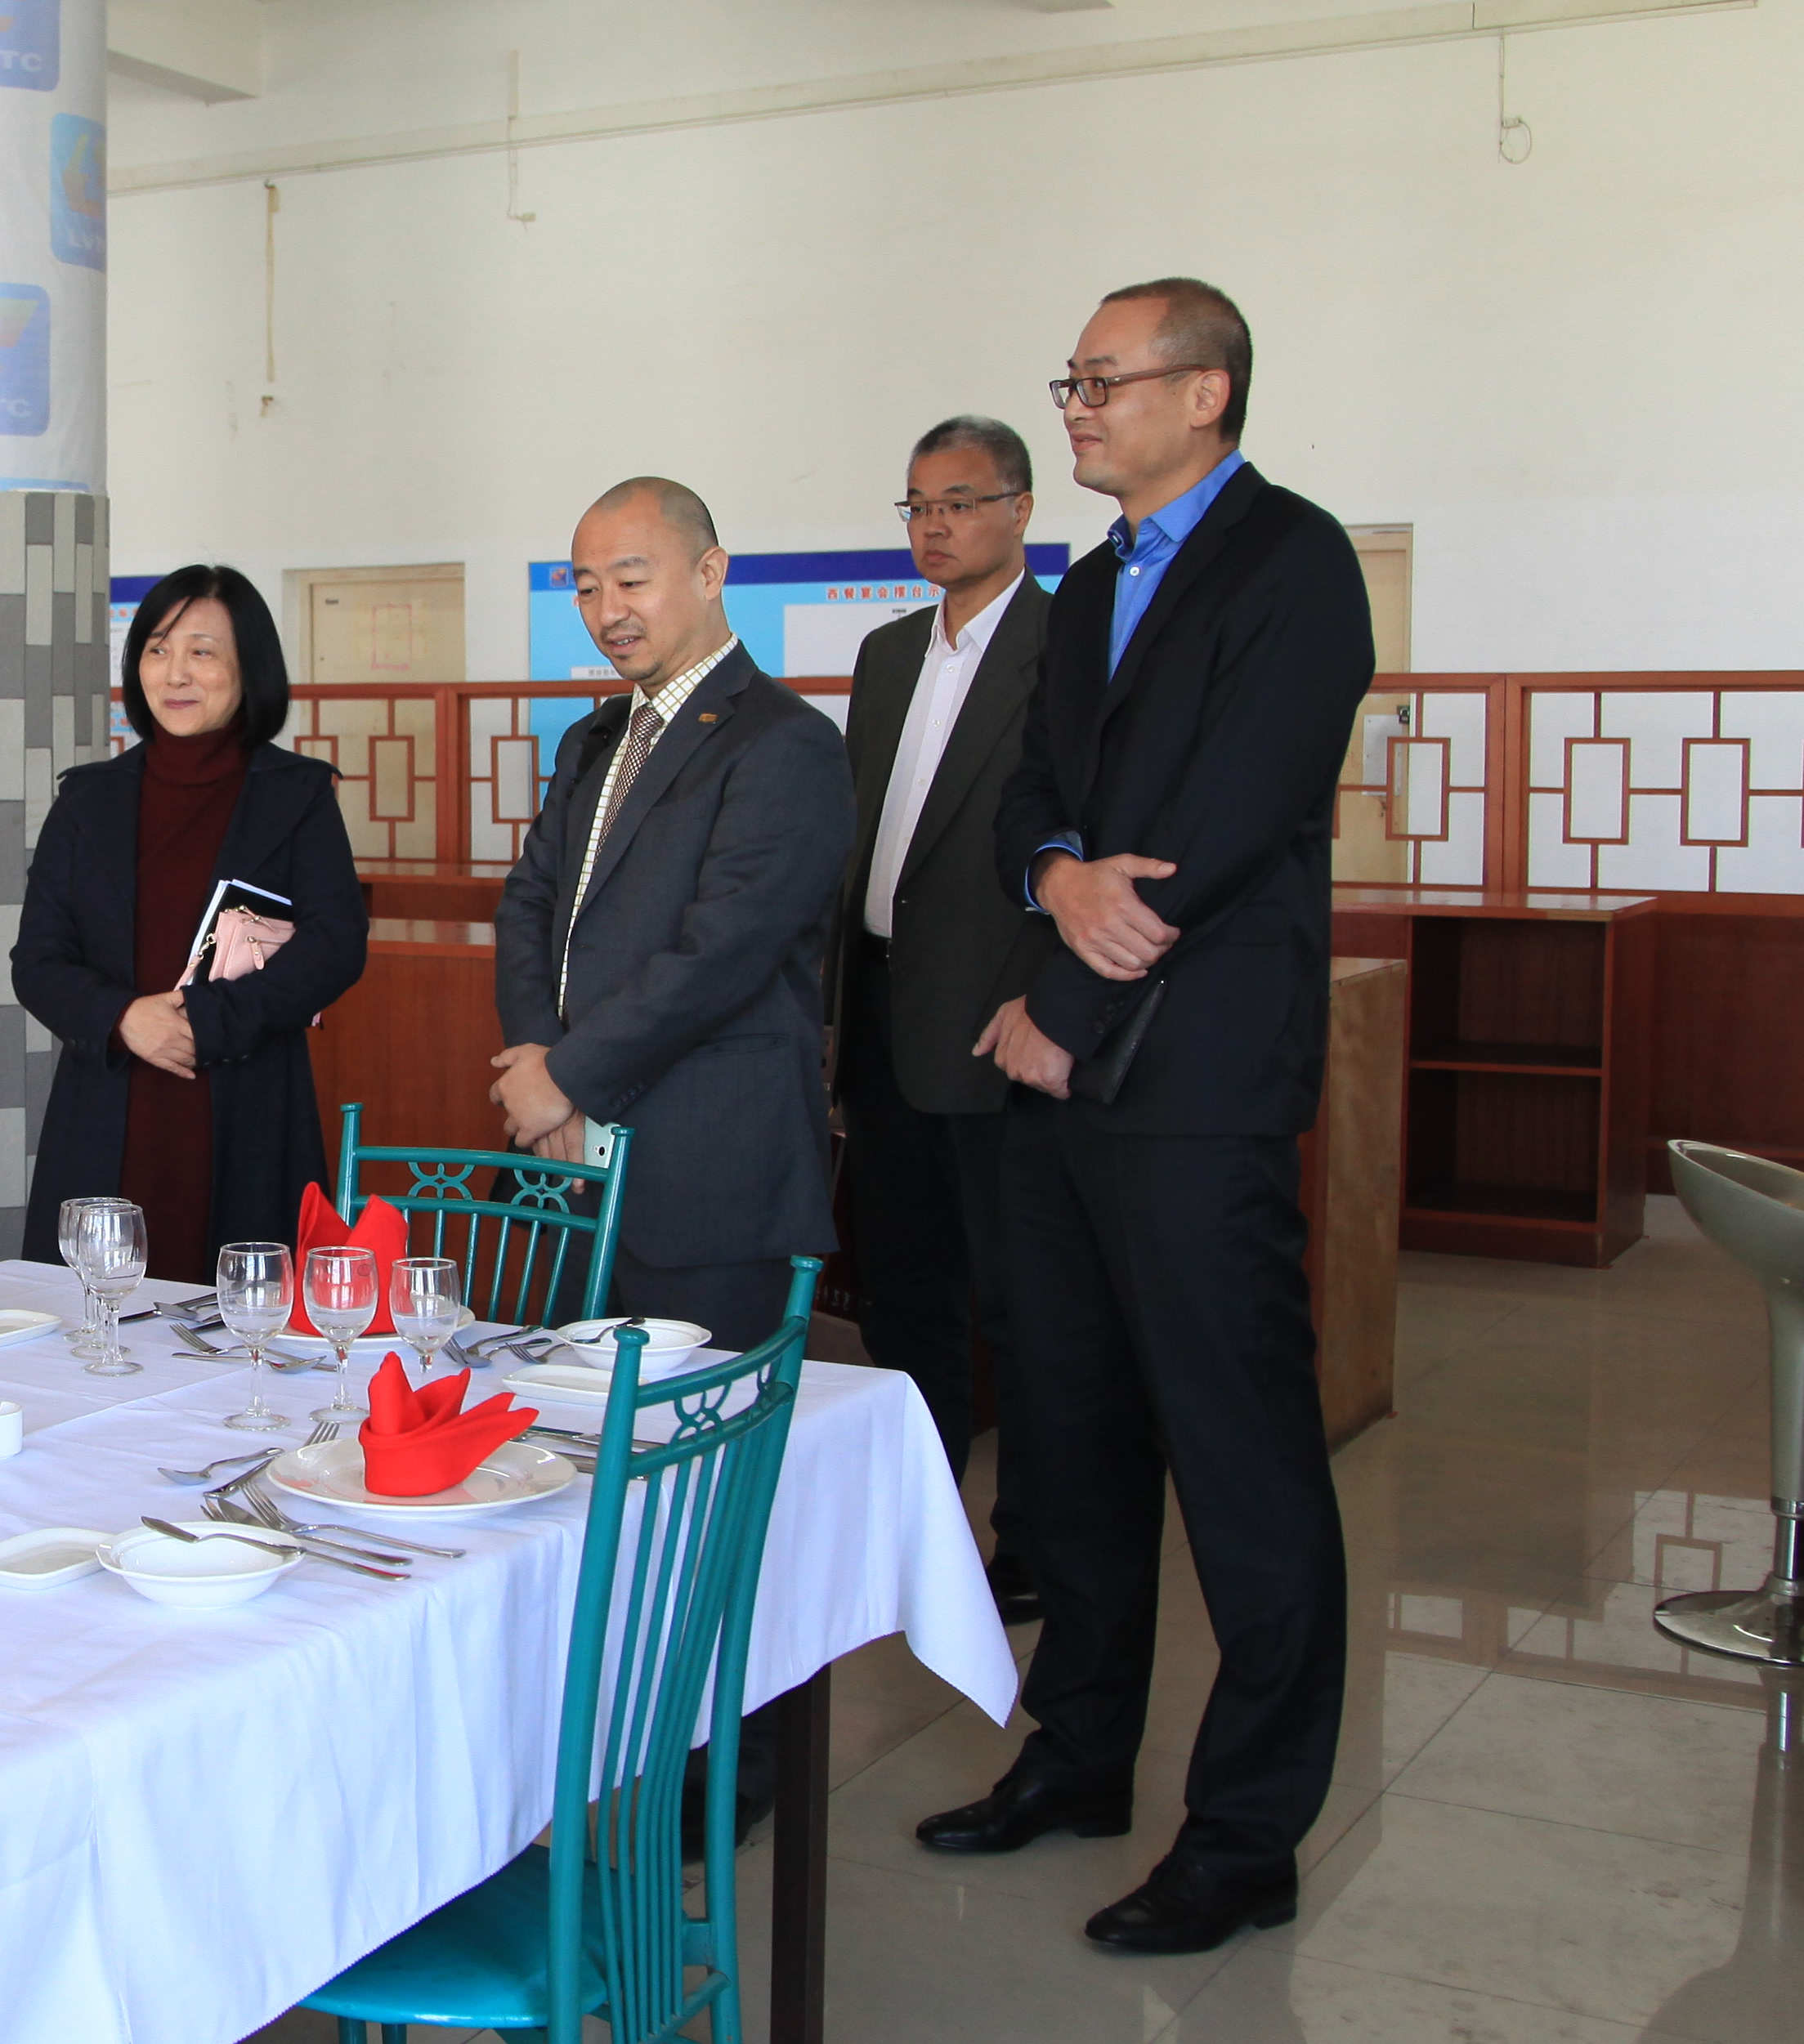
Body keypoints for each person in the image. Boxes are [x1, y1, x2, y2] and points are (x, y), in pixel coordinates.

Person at [918, 279, 1372, 1957]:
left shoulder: (1294, 562)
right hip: (1063, 1067)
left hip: (1193, 1079)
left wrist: (1065, 1008)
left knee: (1240, 1460)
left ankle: (1247, 1830)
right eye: (1074, 379)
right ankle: (1080, 1750)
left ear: (1207, 392)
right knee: (1071, 1432)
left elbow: (1230, 820)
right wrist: (1049, 875)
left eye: (1105, 380)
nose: (1079, 406)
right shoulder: (1095, 581)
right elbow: (1037, 795)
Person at [490, 477, 852, 1353]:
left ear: (709, 572)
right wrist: (539, 1064)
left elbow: (722, 952)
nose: (606, 611)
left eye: (630, 579)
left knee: (698, 1429)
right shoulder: (593, 739)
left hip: (708, 1173)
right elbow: (528, 903)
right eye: (585, 588)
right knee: (566, 1417)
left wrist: (567, 1075)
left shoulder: (785, 740)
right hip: (569, 1162)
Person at [831, 415, 1056, 1628]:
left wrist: (1043, 998)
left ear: (1019, 508)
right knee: (903, 1290)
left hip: (996, 1019)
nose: (935, 526)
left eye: (961, 502)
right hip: (881, 1013)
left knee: (1017, 1300)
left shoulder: (1063, 646)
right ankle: (917, 1525)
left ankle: (1031, 1538)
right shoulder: (884, 654)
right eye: (918, 505)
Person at [12, 564, 366, 1282]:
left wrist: (206, 1021)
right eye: (157, 649)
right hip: (110, 1100)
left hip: (247, 1098)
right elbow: (38, 961)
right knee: (95, 1311)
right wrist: (122, 1018)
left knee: (246, 1316)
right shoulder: (87, 801)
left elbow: (334, 945)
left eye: (201, 651)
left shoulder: (297, 795)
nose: (175, 673)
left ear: (248, 668)